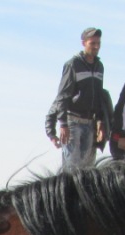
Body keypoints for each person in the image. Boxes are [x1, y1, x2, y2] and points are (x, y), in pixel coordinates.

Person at [44, 27, 109, 170]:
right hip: (73, 122)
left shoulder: (99, 67)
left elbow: (98, 95)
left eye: (98, 43)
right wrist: (62, 124)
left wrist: (100, 121)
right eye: (93, 43)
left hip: (90, 123)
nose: (96, 47)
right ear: (84, 43)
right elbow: (63, 95)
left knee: (88, 170)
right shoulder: (73, 64)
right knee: (72, 169)